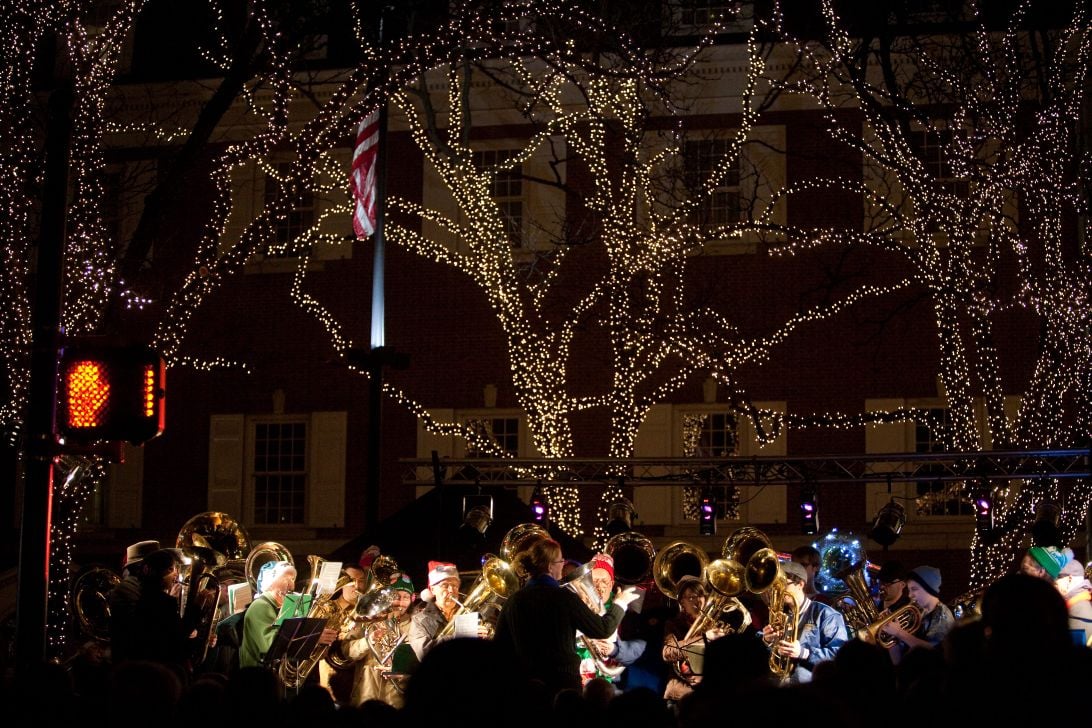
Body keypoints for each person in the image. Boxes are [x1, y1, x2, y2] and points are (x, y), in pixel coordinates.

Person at [492, 537, 639, 698]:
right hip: (562, 685)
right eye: (561, 560)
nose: (563, 564)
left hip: (526, 687)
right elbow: (603, 629)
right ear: (550, 566)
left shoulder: (513, 601)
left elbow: (499, 649)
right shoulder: (564, 598)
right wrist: (620, 603)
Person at [760, 560, 848, 684]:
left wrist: (804, 653)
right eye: (775, 586)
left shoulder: (826, 614)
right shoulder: (780, 614)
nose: (778, 590)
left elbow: (840, 656)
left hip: (813, 689)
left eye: (783, 584)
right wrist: (768, 642)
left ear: (800, 584)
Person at [239, 560, 337, 671]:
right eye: (286, 578)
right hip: (259, 676)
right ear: (271, 581)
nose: (292, 585)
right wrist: (313, 636)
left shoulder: (287, 606)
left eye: (293, 579)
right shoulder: (260, 606)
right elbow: (270, 645)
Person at [123, 548, 200, 678]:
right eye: (170, 569)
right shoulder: (159, 600)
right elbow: (179, 637)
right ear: (153, 572)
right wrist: (198, 606)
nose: (175, 574)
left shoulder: (149, 596)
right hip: (162, 672)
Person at [342, 572, 417, 708]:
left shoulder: (417, 626)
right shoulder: (367, 620)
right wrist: (368, 641)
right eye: (396, 597)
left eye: (405, 597)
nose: (400, 602)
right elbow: (348, 652)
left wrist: (405, 673)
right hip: (366, 696)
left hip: (398, 700)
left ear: (412, 599)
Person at [575, 553, 647, 689]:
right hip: (579, 680)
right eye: (594, 581)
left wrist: (614, 649)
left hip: (613, 684)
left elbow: (640, 648)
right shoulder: (578, 608)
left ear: (612, 583)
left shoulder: (626, 611)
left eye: (604, 581)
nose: (599, 586)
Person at [878, 565, 954, 664]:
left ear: (928, 589)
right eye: (909, 590)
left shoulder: (942, 614)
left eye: (914, 589)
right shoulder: (919, 612)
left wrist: (899, 633)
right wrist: (891, 636)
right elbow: (898, 662)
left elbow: (934, 651)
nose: (910, 595)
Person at [661, 575, 711, 707]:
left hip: (708, 693)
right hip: (679, 693)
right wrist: (705, 638)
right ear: (682, 602)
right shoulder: (673, 625)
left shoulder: (714, 626)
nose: (697, 601)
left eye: (700, 595)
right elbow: (668, 652)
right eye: (690, 597)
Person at [108, 539, 160, 664]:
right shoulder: (126, 589)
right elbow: (148, 627)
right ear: (145, 568)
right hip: (133, 664)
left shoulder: (146, 588)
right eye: (159, 566)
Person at [407, 561, 471, 662]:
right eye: (445, 585)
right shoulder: (419, 620)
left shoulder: (468, 613)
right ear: (432, 590)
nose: (451, 590)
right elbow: (425, 654)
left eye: (455, 585)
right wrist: (459, 637)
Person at [1054, 558, 1092, 646]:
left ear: (1069, 579)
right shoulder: (1082, 606)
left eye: (1056, 581)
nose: (1054, 584)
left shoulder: (1077, 617)